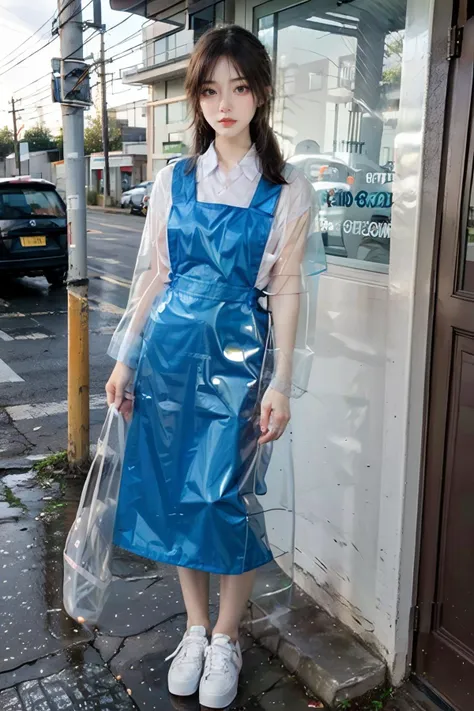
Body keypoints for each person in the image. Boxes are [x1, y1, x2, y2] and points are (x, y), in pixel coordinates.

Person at [105, 25, 323, 710]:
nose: (223, 103)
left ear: (260, 93)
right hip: (167, 358)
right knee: (174, 495)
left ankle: (227, 635)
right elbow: (155, 275)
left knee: (224, 501)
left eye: (238, 87)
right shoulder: (174, 179)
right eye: (209, 90)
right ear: (196, 99)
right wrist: (125, 357)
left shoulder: (286, 190)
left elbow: (288, 288)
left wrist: (283, 380)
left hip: (240, 367)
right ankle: (195, 627)